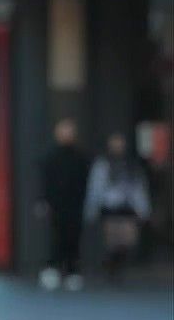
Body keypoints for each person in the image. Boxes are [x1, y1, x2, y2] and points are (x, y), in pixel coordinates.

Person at [85, 132, 151, 281]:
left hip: (127, 208)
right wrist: (92, 208)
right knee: (112, 241)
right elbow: (96, 187)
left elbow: (138, 188)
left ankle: (117, 266)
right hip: (110, 208)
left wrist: (143, 208)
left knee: (127, 241)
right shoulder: (103, 164)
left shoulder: (131, 165)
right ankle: (111, 269)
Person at [38, 118, 91, 291]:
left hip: (75, 205)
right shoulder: (50, 157)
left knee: (73, 238)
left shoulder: (80, 157)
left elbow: (85, 182)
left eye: (69, 131)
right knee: (55, 237)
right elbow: (44, 182)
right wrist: (43, 201)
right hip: (56, 205)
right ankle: (52, 270)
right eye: (64, 131)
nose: (67, 135)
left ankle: (72, 271)